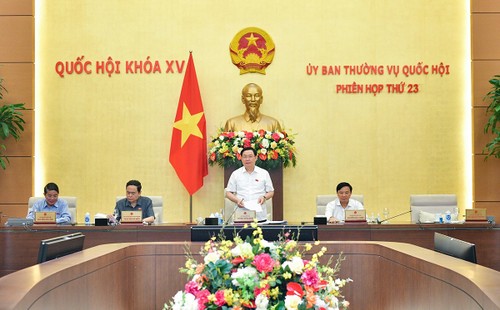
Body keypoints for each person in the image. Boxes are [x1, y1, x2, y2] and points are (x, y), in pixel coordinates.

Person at [225, 147, 274, 222]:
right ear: (241, 158)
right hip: (241, 215)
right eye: (244, 157)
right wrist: (237, 200)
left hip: (259, 216)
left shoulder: (264, 173)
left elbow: (271, 192)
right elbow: (228, 193)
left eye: (250, 156)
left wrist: (264, 197)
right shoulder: (236, 174)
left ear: (256, 157)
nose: (247, 159)